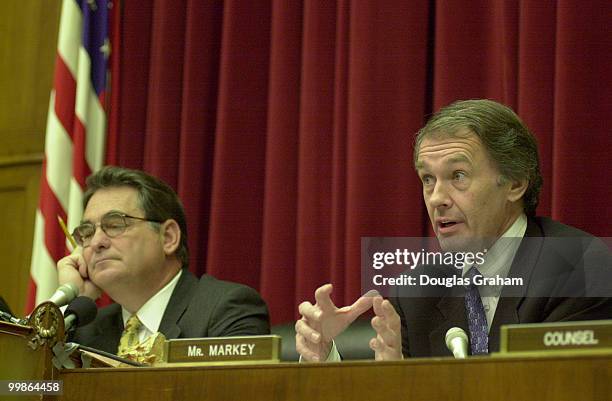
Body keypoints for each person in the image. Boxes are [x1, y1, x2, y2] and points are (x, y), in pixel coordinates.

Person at [295, 99, 612, 361]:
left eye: (458, 175)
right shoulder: (417, 290)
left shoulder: (577, 266)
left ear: (515, 183)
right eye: (428, 179)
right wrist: (362, 372)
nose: (437, 199)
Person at [58, 166, 270, 355]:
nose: (96, 242)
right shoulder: (83, 331)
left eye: (114, 224)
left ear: (168, 237)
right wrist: (70, 299)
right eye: (86, 232)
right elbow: (34, 390)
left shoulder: (226, 310)